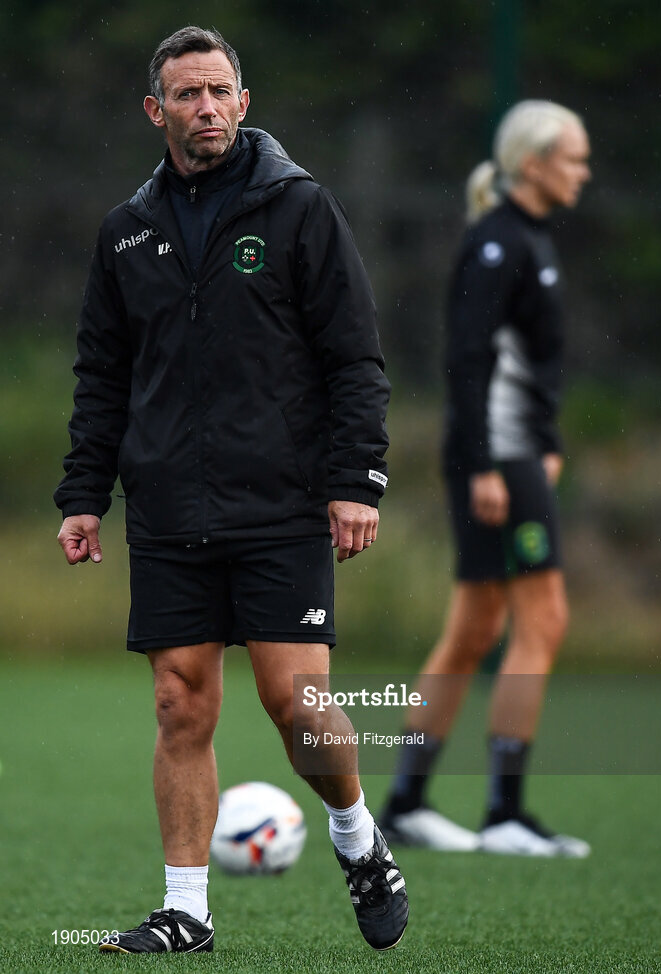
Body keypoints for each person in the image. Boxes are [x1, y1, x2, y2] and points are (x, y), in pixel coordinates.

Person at [54, 26, 408, 953]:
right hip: (170, 506)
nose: (204, 108)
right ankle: (188, 910)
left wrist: (355, 480)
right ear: (156, 110)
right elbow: (102, 373)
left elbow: (354, 361)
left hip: (281, 502)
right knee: (180, 701)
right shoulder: (126, 229)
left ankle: (356, 836)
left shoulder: (300, 209)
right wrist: (83, 492)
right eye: (187, 95)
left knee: (296, 706)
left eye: (219, 92)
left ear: (244, 104)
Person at [379, 100, 592, 857]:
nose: (583, 172)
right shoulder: (498, 243)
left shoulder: (530, 238)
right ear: (532, 163)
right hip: (497, 459)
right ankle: (504, 813)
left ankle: (404, 802)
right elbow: (468, 363)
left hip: (519, 454)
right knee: (545, 620)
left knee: (475, 629)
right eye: (572, 158)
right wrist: (486, 466)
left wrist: (549, 443)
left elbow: (534, 366)